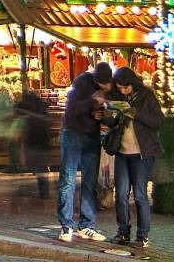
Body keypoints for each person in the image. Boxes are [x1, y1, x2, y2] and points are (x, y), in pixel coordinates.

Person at [57, 62, 113, 244]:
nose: (107, 87)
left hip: (92, 136)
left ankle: (86, 225)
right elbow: (72, 109)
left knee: (90, 182)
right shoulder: (82, 81)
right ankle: (66, 225)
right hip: (73, 134)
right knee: (68, 180)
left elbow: (104, 112)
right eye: (105, 83)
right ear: (98, 80)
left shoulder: (108, 89)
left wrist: (101, 115)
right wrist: (93, 102)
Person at [110, 67, 163, 249]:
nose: (123, 91)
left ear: (132, 83)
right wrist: (109, 115)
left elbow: (158, 121)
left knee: (140, 194)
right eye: (120, 88)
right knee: (121, 195)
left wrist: (135, 113)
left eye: (126, 87)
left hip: (142, 153)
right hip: (122, 152)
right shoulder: (119, 97)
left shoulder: (147, 95)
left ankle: (142, 236)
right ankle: (123, 232)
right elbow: (114, 123)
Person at [15, 89, 53, 199]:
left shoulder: (28, 105)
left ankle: (42, 191)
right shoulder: (41, 106)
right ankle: (44, 192)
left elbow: (17, 110)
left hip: (33, 138)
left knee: (37, 165)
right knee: (41, 165)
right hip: (43, 139)